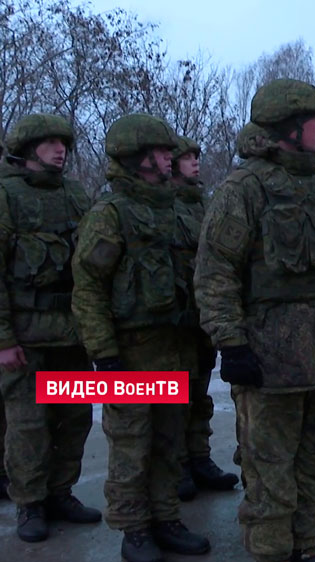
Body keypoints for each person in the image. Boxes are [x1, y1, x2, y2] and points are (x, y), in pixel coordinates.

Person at [195, 79, 315, 562]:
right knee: (269, 476)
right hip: (269, 361)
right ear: (288, 128)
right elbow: (215, 271)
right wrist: (232, 345)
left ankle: (305, 548)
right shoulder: (245, 188)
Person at [73, 113, 211, 561]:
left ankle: (166, 517)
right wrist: (104, 354)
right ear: (136, 158)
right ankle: (134, 529)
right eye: (161, 152)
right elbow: (89, 287)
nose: (170, 158)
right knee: (132, 446)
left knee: (170, 443)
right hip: (131, 354)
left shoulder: (176, 210)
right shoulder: (109, 214)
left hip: (177, 349)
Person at [0, 113, 100, 543]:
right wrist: (3, 339)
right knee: (28, 425)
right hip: (25, 336)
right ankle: (30, 504)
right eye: (50, 143)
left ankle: (61, 493)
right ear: (27, 149)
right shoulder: (6, 195)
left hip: (72, 334)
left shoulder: (76, 194)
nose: (60, 149)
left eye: (64, 142)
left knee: (75, 419)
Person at [169, 135, 239, 502]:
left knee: (198, 395)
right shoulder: (159, 207)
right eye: (186, 157)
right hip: (168, 323)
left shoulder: (202, 206)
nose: (195, 162)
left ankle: (199, 458)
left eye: (197, 155)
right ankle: (177, 465)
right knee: (173, 398)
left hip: (200, 317)